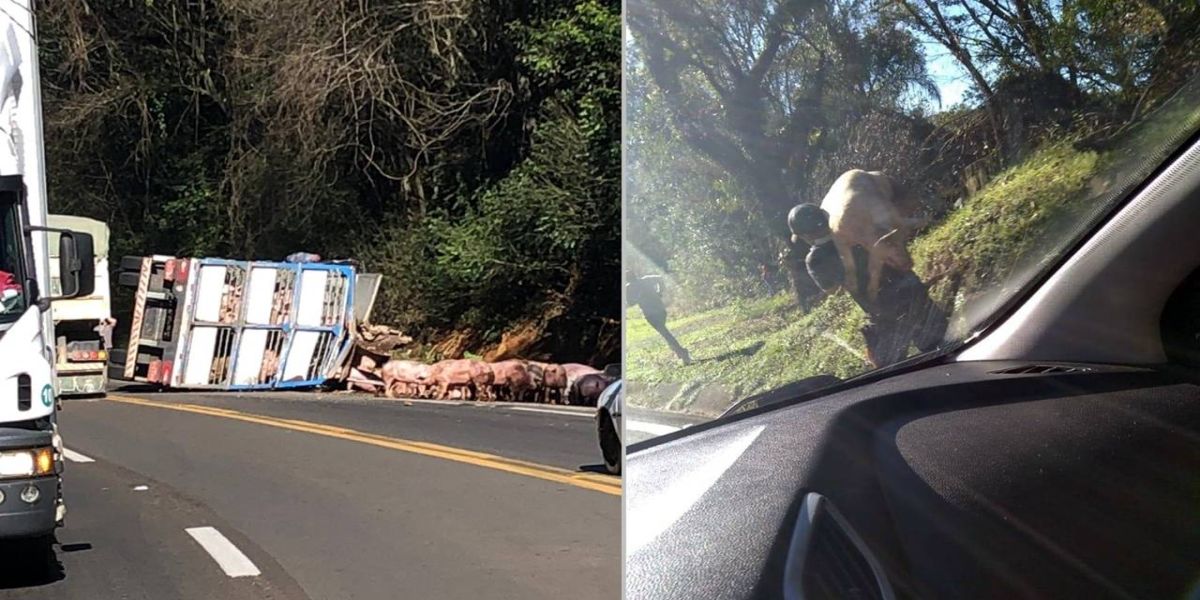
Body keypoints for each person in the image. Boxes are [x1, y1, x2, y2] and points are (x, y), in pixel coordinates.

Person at [788, 202, 947, 367]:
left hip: (886, 315)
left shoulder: (815, 260)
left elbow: (834, 291)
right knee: (943, 349)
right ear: (825, 216)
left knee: (893, 372)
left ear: (805, 236)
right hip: (914, 296)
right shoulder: (855, 229)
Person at [626, 272, 691, 365]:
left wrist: (659, 291)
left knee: (664, 332)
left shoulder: (638, 283)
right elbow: (660, 279)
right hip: (655, 311)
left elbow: (631, 303)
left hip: (654, 312)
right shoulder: (634, 285)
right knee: (664, 332)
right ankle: (678, 351)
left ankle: (682, 352)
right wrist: (658, 292)